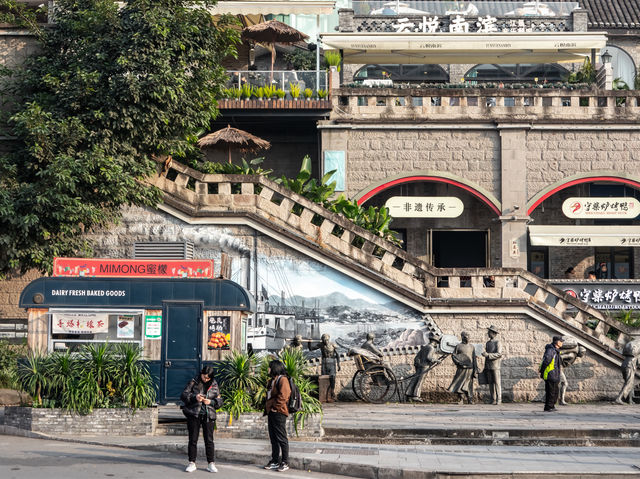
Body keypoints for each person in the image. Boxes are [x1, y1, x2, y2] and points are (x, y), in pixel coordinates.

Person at [180, 366, 223, 473]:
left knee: (209, 440)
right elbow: (183, 395)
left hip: (209, 415)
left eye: (208, 378)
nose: (205, 379)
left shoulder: (214, 384)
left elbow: (220, 401)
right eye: (204, 376)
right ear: (201, 374)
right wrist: (195, 397)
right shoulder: (194, 382)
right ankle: (192, 463)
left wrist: (211, 402)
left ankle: (211, 463)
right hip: (194, 414)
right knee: (193, 439)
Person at [263, 359, 291, 472]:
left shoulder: (282, 379)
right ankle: (275, 460)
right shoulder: (273, 380)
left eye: (270, 367)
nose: (268, 369)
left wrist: (275, 407)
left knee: (281, 438)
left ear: (274, 368)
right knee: (273, 438)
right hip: (272, 412)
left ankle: (285, 461)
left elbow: (284, 395)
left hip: (279, 412)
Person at [406, 332, 439, 402]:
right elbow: (429, 357)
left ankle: (408, 393)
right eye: (436, 342)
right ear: (435, 342)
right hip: (425, 366)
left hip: (420, 366)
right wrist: (436, 360)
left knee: (415, 379)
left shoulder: (425, 347)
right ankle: (416, 395)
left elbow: (417, 357)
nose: (436, 344)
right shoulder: (431, 348)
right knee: (420, 381)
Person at [309, 333, 341, 402]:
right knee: (324, 379)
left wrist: (338, 364)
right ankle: (324, 396)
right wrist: (309, 342)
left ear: (328, 339)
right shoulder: (321, 345)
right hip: (324, 363)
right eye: (324, 340)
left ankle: (332, 393)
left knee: (332, 378)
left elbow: (338, 355)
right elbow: (311, 349)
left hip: (332, 362)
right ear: (322, 340)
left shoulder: (333, 345)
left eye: (326, 339)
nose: (325, 341)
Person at [448, 331, 477, 404]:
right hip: (461, 368)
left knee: (469, 384)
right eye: (466, 336)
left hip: (470, 368)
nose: (468, 338)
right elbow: (454, 356)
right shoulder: (458, 346)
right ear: (462, 337)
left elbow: (474, 359)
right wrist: (459, 363)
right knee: (459, 383)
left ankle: (470, 399)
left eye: (468, 336)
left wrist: (475, 369)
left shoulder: (472, 347)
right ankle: (461, 399)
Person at [558, 337, 586, 405]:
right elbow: (561, 357)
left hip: (558, 367)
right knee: (564, 383)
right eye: (583, 353)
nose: (583, 355)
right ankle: (561, 401)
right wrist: (559, 365)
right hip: (558, 368)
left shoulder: (573, 354)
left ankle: (558, 400)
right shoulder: (572, 355)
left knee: (556, 383)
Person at [539, 335, 563, 412]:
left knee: (555, 391)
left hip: (555, 374)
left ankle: (551, 406)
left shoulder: (555, 350)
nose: (562, 343)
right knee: (551, 391)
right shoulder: (551, 350)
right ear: (557, 342)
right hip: (551, 374)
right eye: (561, 341)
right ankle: (548, 407)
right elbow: (546, 361)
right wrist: (542, 372)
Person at [482, 325, 503, 405]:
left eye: (489, 332)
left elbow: (499, 354)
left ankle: (499, 399)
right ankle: (493, 398)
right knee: (490, 383)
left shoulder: (498, 342)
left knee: (497, 383)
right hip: (488, 366)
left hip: (495, 366)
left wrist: (488, 355)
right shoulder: (487, 343)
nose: (488, 333)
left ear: (493, 333)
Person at [614, 340, 640, 405]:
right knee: (629, 383)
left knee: (629, 382)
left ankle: (630, 400)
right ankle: (618, 399)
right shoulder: (638, 345)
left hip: (625, 363)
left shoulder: (633, 343)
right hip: (630, 365)